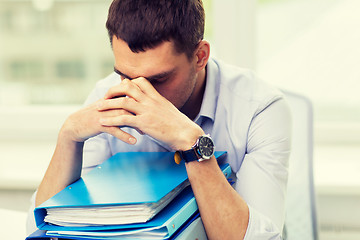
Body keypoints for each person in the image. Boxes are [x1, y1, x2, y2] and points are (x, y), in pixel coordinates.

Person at [27, 0, 291, 239]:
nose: (140, 93)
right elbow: (38, 229)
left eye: (158, 79)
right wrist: (68, 137)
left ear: (200, 56)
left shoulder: (260, 108)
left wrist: (192, 143)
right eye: (125, 76)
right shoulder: (107, 97)